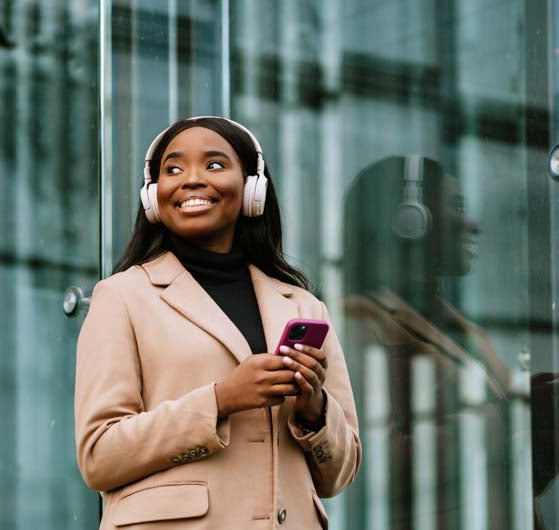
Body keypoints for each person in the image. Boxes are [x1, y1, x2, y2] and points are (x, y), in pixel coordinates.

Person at [74, 116, 361, 529]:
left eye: (213, 165)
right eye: (173, 169)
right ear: (154, 197)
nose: (191, 179)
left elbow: (338, 475)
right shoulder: (121, 297)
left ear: (252, 190)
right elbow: (98, 456)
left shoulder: (303, 307)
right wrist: (222, 399)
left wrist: (313, 409)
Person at [340, 155, 513, 529]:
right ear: (411, 219)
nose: (473, 225)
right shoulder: (358, 322)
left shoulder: (460, 326)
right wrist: (505, 425)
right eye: (457, 207)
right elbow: (359, 462)